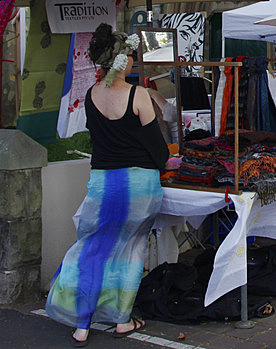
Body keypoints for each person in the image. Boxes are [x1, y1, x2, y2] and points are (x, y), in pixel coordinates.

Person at [46, 23, 169, 347]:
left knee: (92, 250)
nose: (132, 60)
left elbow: (100, 140)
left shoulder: (91, 95)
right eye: (129, 55)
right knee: (131, 251)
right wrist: (163, 166)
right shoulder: (138, 95)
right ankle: (122, 319)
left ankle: (81, 322)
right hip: (140, 186)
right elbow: (157, 148)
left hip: (104, 184)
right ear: (121, 61)